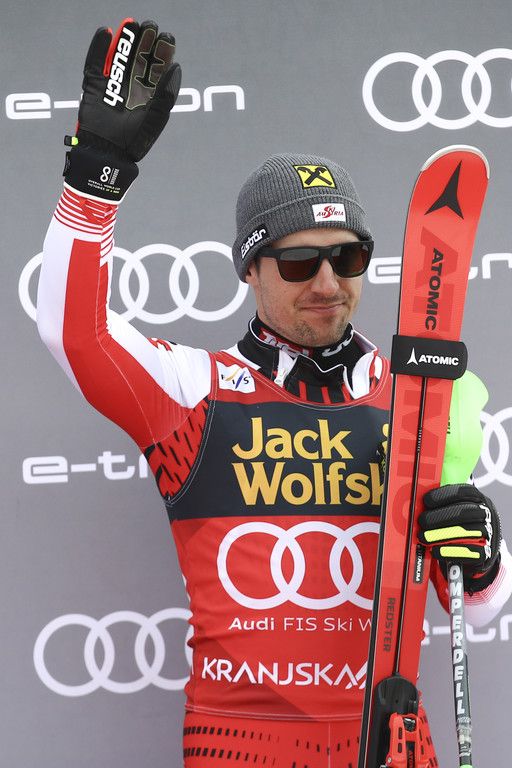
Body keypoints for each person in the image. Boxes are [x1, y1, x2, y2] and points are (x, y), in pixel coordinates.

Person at [37, 19, 512, 768]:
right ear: (250, 269)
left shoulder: (418, 397)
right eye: (297, 263)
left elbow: (481, 609)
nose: (327, 283)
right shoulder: (192, 392)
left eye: (347, 257)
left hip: (390, 742)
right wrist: (95, 176)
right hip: (241, 747)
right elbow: (74, 333)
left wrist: (480, 556)